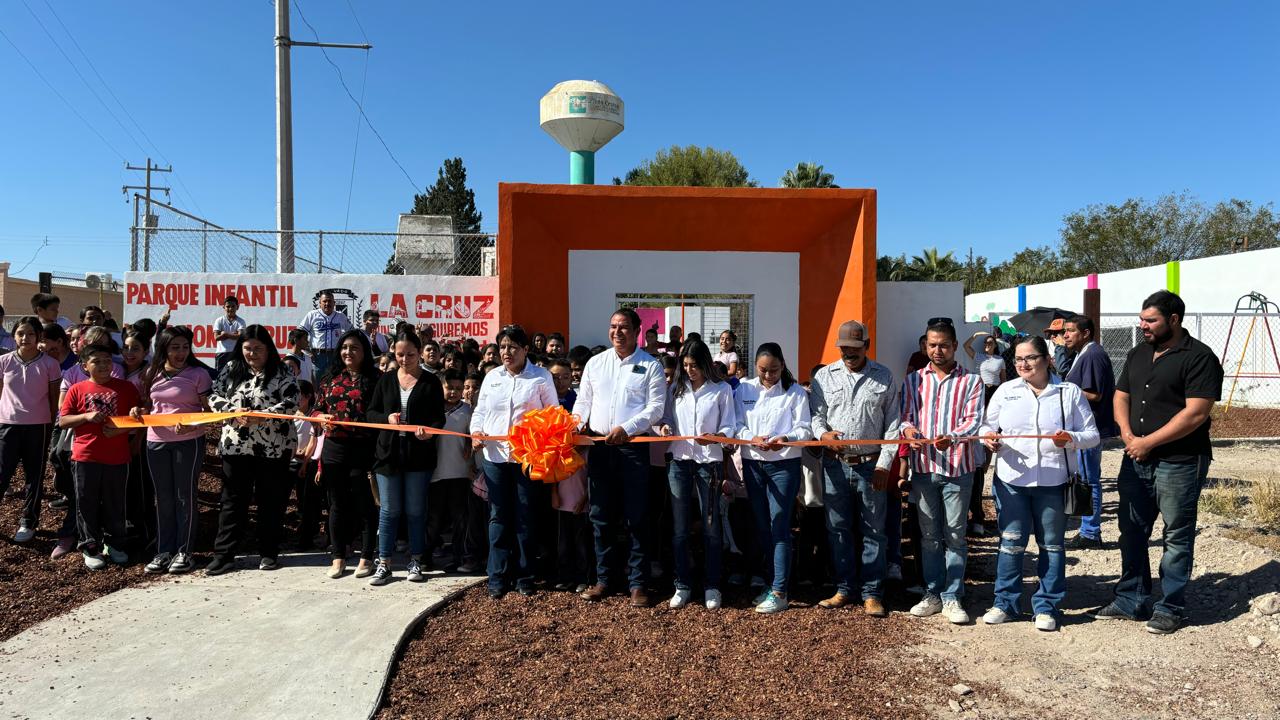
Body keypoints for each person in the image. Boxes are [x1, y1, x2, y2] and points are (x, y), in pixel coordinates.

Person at [1094, 291, 1223, 635]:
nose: (1143, 326)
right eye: (1142, 319)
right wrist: (1127, 435)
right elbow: (1122, 396)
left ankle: (1171, 606)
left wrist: (1148, 442)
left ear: (1174, 320)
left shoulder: (1199, 358)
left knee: (1176, 535)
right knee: (1132, 529)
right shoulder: (1139, 353)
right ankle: (1130, 599)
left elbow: (1195, 413)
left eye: (1150, 320)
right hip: (1135, 458)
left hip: (1179, 461)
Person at [979, 336, 1099, 632]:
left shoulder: (1067, 392)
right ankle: (1005, 602)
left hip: (1053, 482)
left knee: (1052, 546)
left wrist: (1070, 438)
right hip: (1011, 481)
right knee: (1011, 543)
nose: (1023, 364)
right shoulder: (1006, 391)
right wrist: (989, 439)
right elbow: (986, 426)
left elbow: (1092, 435)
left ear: (1046, 359)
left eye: (1030, 358)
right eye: (1018, 359)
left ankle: (1046, 605)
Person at [573, 309, 666, 607]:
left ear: (637, 330)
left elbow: (655, 409)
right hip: (600, 449)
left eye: (624, 327)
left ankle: (638, 583)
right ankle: (604, 580)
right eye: (613, 326)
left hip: (632, 449)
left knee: (636, 516)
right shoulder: (595, 364)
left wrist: (627, 429)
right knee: (600, 516)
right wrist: (574, 425)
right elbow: (583, 402)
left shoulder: (650, 366)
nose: (617, 332)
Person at [809, 320, 901, 617]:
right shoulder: (824, 376)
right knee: (838, 529)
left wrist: (885, 464)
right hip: (835, 466)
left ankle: (872, 593)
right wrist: (822, 435)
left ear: (867, 346)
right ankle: (845, 588)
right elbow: (815, 416)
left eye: (854, 347)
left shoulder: (884, 377)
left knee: (874, 530)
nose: (848, 353)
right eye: (844, 347)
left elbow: (893, 425)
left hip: (870, 464)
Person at [900, 321, 985, 624]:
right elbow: (906, 416)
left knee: (956, 536)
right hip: (923, 469)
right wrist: (908, 430)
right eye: (932, 345)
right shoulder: (913, 380)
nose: (938, 351)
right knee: (929, 537)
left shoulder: (972, 382)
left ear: (953, 344)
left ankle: (953, 596)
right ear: (926, 345)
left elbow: (974, 420)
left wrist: (953, 436)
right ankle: (932, 593)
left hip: (957, 469)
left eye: (944, 345)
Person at [471, 325, 558, 598]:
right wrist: (476, 432)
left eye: (512, 347)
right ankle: (497, 576)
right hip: (495, 457)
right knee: (499, 516)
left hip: (526, 459)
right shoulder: (492, 377)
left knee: (525, 515)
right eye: (502, 347)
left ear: (526, 350)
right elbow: (480, 411)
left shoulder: (541, 377)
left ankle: (525, 575)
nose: (506, 352)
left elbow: (553, 416)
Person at [206, 325, 299, 575]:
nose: (252, 353)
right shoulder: (232, 369)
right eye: (247, 348)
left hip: (273, 447)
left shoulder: (281, 371)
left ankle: (269, 553)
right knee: (232, 502)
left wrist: (263, 416)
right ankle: (224, 555)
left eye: (258, 348)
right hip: (236, 445)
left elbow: (292, 402)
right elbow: (213, 396)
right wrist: (233, 411)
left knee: (271, 501)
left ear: (269, 349)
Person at [654, 339, 735, 610]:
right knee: (679, 528)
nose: (690, 370)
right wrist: (664, 428)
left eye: (695, 365)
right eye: (685, 365)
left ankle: (712, 585)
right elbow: (663, 419)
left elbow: (729, 427)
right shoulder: (674, 390)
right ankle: (683, 584)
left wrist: (716, 438)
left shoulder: (721, 390)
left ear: (706, 364)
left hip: (708, 463)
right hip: (679, 461)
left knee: (711, 527)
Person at [734, 342, 811, 613]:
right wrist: (750, 438)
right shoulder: (744, 388)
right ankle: (772, 583)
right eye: (763, 370)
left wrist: (786, 439)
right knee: (762, 525)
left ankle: (780, 590)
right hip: (753, 463)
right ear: (756, 366)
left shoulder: (795, 392)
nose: (768, 376)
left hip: (784, 465)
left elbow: (805, 429)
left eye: (774, 370)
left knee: (779, 524)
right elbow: (736, 424)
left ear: (783, 365)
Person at [365, 329, 445, 585]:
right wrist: (386, 419)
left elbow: (438, 419)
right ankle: (385, 562)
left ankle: (416, 560)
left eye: (410, 354)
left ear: (419, 353)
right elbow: (371, 413)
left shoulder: (431, 382)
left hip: (418, 456)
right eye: (400, 354)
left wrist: (428, 431)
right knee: (389, 511)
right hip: (387, 455)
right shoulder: (386, 380)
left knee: (415, 511)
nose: (404, 359)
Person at [132, 326, 211, 574]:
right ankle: (164, 550)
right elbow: (146, 405)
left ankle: (184, 552)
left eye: (185, 347)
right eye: (175, 347)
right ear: (163, 348)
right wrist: (138, 412)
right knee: (163, 498)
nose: (180, 352)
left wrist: (191, 426)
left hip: (189, 443)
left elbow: (210, 413)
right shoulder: (150, 373)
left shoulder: (199, 374)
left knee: (184, 496)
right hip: (155, 442)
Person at [59, 343, 139, 569]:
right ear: (85, 366)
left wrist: (133, 415)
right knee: (86, 502)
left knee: (116, 503)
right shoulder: (77, 389)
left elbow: (138, 419)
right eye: (97, 361)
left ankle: (115, 544)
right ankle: (90, 545)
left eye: (107, 360)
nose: (104, 365)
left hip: (117, 456)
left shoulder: (125, 388)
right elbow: (63, 421)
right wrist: (86, 416)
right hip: (85, 455)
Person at [315, 329, 382, 579]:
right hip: (334, 448)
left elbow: (382, 413)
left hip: (363, 448)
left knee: (364, 502)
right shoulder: (330, 378)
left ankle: (366, 556)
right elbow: (315, 410)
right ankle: (338, 556)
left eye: (354, 348)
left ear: (364, 351)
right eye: (344, 347)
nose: (348, 352)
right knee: (337, 504)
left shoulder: (377, 379)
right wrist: (321, 418)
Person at [0, 317, 61, 543]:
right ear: (14, 336)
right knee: (2, 473)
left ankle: (29, 522)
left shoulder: (50, 364)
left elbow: (54, 398)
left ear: (38, 337)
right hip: (7, 425)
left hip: (38, 426)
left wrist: (50, 421)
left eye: (31, 334)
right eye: (21, 334)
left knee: (33, 477)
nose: (25, 338)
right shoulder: (4, 361)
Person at [1062, 316, 1117, 549]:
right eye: (1064, 331)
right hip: (1083, 428)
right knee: (1084, 479)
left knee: (1089, 481)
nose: (1065, 335)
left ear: (1085, 333)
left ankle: (1091, 533)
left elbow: (1094, 395)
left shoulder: (1093, 355)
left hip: (1089, 429)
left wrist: (1063, 389)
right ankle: (1087, 530)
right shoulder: (1084, 354)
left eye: (1070, 331)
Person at [430, 368, 478, 574]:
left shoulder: (468, 412)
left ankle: (459, 557)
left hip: (460, 473)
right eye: (450, 388)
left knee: (460, 519)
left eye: (459, 388)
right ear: (441, 387)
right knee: (434, 518)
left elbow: (472, 437)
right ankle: (426, 555)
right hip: (435, 473)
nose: (454, 392)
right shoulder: (431, 411)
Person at [963, 331, 1007, 535]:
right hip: (981, 389)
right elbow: (966, 346)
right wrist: (977, 334)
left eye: (991, 342)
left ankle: (986, 460)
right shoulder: (979, 357)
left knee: (990, 427)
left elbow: (1003, 379)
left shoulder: (1000, 359)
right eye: (986, 343)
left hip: (994, 390)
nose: (988, 345)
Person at [299, 290, 352, 379]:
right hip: (318, 356)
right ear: (320, 303)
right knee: (318, 384)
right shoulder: (312, 315)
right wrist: (307, 350)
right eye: (324, 301)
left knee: (335, 382)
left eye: (330, 301)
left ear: (334, 303)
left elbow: (351, 332)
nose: (327, 303)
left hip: (335, 355)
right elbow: (299, 333)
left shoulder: (341, 316)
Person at [213, 296, 246, 372]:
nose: (230, 309)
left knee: (235, 377)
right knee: (220, 377)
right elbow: (216, 337)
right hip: (221, 353)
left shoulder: (241, 321)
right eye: (228, 306)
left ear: (237, 307)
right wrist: (233, 335)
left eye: (233, 306)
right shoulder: (219, 320)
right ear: (224, 307)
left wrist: (225, 334)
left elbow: (241, 337)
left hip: (235, 353)